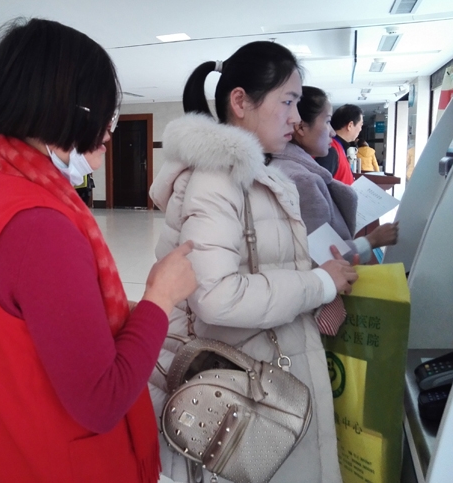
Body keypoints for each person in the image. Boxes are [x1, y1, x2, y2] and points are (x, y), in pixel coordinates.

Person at [0, 18, 198, 483]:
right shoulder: (41, 227)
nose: (108, 132)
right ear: (65, 111)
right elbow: (100, 401)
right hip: (53, 462)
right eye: (105, 115)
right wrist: (160, 298)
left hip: (3, 443)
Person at [148, 42, 358, 483]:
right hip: (251, 392)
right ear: (241, 101)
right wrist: (318, 284)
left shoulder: (251, 176)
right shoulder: (218, 179)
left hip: (266, 376)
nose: (296, 118)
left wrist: (320, 276)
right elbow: (216, 296)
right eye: (287, 101)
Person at [272, 86, 398, 265]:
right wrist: (372, 240)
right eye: (327, 122)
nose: (332, 132)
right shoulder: (303, 180)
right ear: (300, 127)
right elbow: (323, 257)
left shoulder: (280, 167)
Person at [315, 103, 364, 184]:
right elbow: (319, 185)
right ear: (350, 125)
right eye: (360, 125)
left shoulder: (338, 147)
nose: (360, 129)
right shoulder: (330, 150)